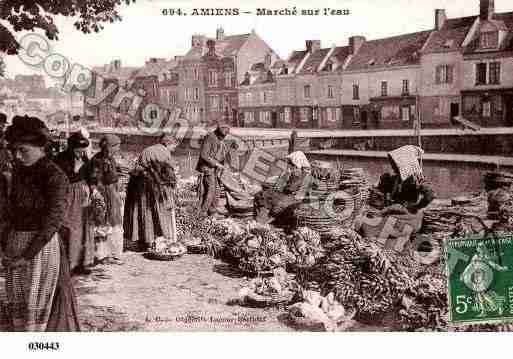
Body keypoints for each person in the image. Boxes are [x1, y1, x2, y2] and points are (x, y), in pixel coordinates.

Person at [0, 115, 80, 331]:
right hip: (15, 247)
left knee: (40, 311)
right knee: (19, 308)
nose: (17, 156)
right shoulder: (17, 173)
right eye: (14, 150)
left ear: (41, 148)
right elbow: (7, 213)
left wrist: (26, 256)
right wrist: (5, 245)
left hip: (40, 250)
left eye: (23, 150)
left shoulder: (54, 176)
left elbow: (52, 222)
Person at [358, 145, 434, 240]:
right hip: (396, 214)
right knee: (367, 221)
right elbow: (380, 191)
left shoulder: (417, 180)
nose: (393, 167)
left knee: (368, 226)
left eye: (395, 164)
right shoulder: (395, 179)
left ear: (404, 164)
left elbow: (430, 194)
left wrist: (416, 207)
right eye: (393, 164)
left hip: (409, 217)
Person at [124, 133, 178, 251]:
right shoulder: (165, 152)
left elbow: (137, 169)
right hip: (158, 187)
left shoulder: (146, 150)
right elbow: (168, 173)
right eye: (174, 146)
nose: (174, 149)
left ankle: (146, 241)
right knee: (160, 212)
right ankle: (162, 239)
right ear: (168, 144)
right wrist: (173, 184)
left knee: (146, 213)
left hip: (143, 186)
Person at [54, 132, 94, 275]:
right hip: (69, 195)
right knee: (69, 228)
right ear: (72, 148)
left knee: (83, 229)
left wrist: (92, 189)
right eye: (78, 149)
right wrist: (76, 169)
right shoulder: (61, 159)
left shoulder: (84, 159)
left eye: (83, 149)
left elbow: (90, 175)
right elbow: (61, 178)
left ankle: (80, 263)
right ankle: (68, 264)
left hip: (82, 196)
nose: (81, 152)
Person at [89, 134, 124, 265]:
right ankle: (104, 255)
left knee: (110, 222)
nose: (118, 149)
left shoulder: (105, 159)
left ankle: (109, 254)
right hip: (105, 193)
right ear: (110, 146)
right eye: (117, 146)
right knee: (106, 222)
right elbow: (97, 179)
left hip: (110, 193)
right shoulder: (102, 160)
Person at [254, 151, 312, 224]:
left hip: (296, 198)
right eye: (290, 164)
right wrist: (284, 178)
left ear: (298, 164)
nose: (290, 166)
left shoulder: (306, 176)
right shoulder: (291, 172)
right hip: (285, 194)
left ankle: (269, 219)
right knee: (262, 194)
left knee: (279, 204)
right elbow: (280, 186)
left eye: (292, 164)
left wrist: (284, 194)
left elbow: (299, 195)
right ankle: (262, 218)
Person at [196, 120, 230, 218]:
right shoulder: (210, 138)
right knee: (211, 190)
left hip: (215, 169)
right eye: (222, 136)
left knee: (217, 190)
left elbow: (221, 154)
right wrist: (217, 164)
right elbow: (204, 155)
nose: (223, 138)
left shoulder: (220, 140)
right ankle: (202, 213)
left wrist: (223, 164)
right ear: (218, 132)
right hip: (207, 168)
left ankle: (213, 211)